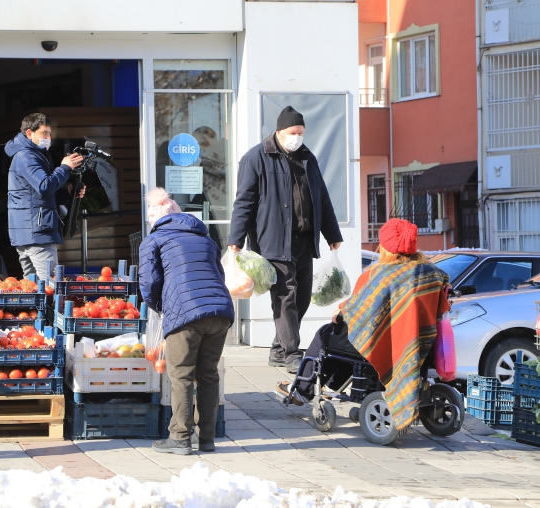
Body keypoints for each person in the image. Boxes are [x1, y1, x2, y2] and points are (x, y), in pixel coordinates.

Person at [277, 218, 450, 433]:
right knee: (350, 340)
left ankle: (302, 390)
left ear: (385, 246)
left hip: (385, 341)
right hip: (416, 341)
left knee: (327, 335)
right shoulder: (431, 273)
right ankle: (344, 388)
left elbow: (358, 311)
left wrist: (340, 312)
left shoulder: (380, 274)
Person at [228, 106, 343, 373]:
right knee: (285, 297)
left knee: (301, 298)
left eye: (301, 132)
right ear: (279, 132)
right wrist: (236, 238)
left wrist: (332, 234)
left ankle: (278, 350)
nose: (298, 137)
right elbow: (244, 201)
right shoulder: (256, 157)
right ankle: (292, 353)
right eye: (293, 132)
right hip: (274, 241)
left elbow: (321, 198)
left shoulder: (307, 158)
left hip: (304, 240)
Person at [139, 188, 234, 456]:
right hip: (220, 312)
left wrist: (160, 307)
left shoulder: (154, 240)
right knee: (208, 375)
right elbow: (218, 274)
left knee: (180, 375)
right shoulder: (206, 239)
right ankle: (207, 439)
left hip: (185, 313)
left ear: (155, 220)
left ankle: (180, 438)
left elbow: (148, 282)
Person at [4, 113, 84, 281]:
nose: (48, 137)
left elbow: (36, 194)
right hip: (37, 232)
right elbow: (44, 185)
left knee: (32, 287)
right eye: (43, 133)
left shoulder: (32, 154)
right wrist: (65, 167)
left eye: (49, 133)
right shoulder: (27, 156)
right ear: (28, 133)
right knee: (50, 284)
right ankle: (48, 308)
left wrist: (67, 194)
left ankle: (35, 309)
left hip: (29, 230)